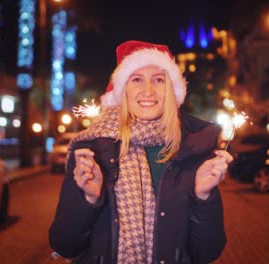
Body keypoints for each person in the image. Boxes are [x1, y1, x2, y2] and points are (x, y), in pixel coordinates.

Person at [49, 40, 233, 264]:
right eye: (137, 79)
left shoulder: (194, 150)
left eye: (158, 80)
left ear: (171, 90)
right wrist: (88, 199)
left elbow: (208, 252)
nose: (148, 91)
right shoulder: (90, 150)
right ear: (123, 89)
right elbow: (64, 245)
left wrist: (203, 196)